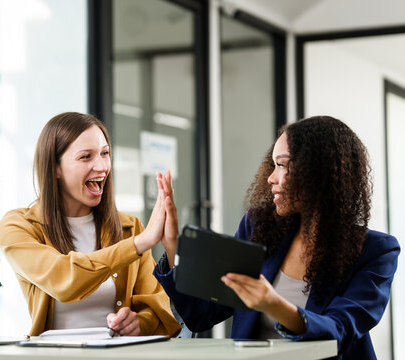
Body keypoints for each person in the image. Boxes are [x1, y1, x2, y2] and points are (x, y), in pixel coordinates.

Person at [152, 116, 400, 359]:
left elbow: (339, 330)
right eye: (273, 165)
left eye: (282, 165)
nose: (271, 177)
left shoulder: (376, 251)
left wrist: (272, 303)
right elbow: (201, 315)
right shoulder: (258, 226)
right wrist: (172, 243)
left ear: (319, 172)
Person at [0, 112, 180, 337]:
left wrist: (140, 322)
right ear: (55, 168)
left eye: (105, 153)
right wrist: (138, 244)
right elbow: (64, 279)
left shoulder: (129, 227)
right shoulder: (17, 227)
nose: (101, 166)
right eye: (86, 157)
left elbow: (157, 303)